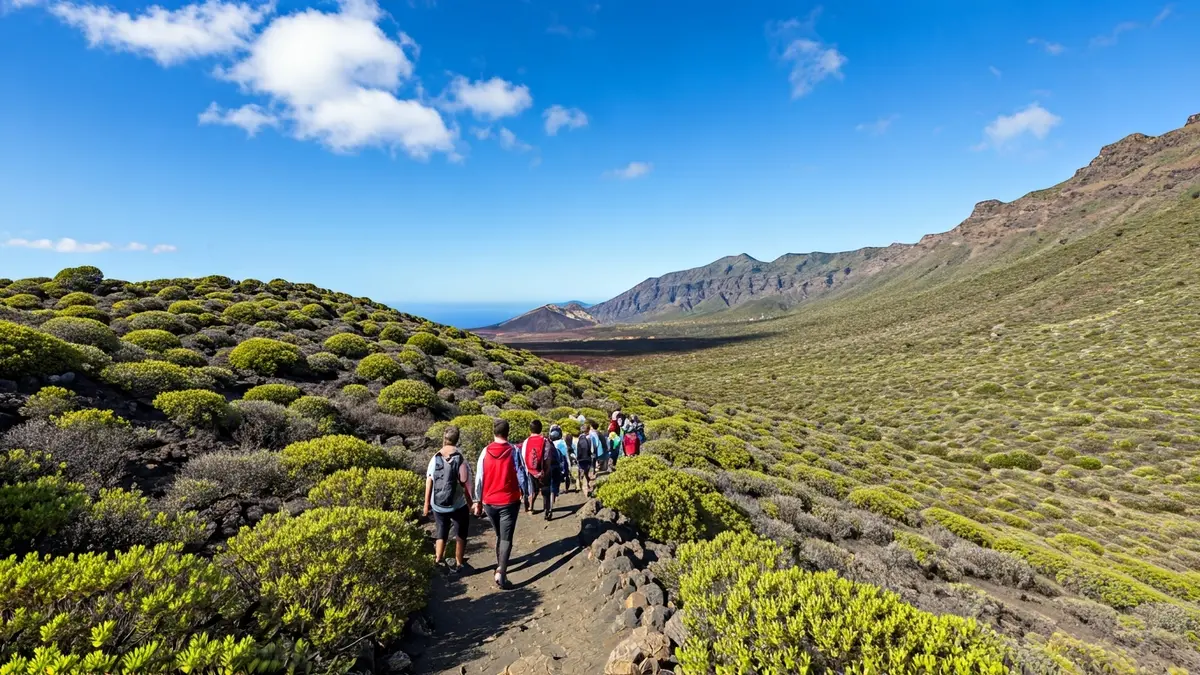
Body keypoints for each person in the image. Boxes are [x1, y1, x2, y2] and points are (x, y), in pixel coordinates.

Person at [474, 418, 527, 590]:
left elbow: (479, 478)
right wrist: (526, 493)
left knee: (499, 534)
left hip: (489, 501)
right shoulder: (514, 450)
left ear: (494, 432)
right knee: (506, 537)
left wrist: (478, 500)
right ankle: (501, 573)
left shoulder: (485, 451)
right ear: (507, 432)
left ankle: (500, 565)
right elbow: (521, 473)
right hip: (509, 500)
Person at [423, 425, 474, 573]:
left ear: (444, 438)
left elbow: (429, 480)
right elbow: (466, 483)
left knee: (441, 529)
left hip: (438, 503)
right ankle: (459, 563)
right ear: (457, 440)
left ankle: (438, 559)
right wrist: (471, 503)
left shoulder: (435, 457)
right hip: (457, 504)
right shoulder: (460, 458)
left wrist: (427, 504)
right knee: (461, 532)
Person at [521, 419, 558, 520]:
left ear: (530, 430)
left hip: (531, 471)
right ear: (541, 429)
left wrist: (529, 470)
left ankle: (530, 508)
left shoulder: (526, 442)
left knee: (533, 490)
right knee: (546, 491)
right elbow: (547, 458)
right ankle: (547, 511)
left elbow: (524, 457)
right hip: (543, 471)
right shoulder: (545, 441)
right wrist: (546, 470)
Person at [575, 421, 595, 496]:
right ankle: (588, 488)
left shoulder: (580, 438)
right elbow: (592, 449)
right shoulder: (590, 438)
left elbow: (578, 450)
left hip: (581, 459)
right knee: (587, 473)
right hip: (588, 458)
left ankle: (583, 489)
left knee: (582, 473)